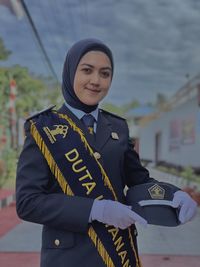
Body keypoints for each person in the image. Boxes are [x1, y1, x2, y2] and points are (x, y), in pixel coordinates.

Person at [16, 38, 197, 267]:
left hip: (118, 254)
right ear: (70, 71)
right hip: (67, 258)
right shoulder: (44, 129)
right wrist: (95, 209)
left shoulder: (118, 128)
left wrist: (174, 195)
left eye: (105, 73)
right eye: (87, 70)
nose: (96, 81)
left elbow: (139, 181)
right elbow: (28, 202)